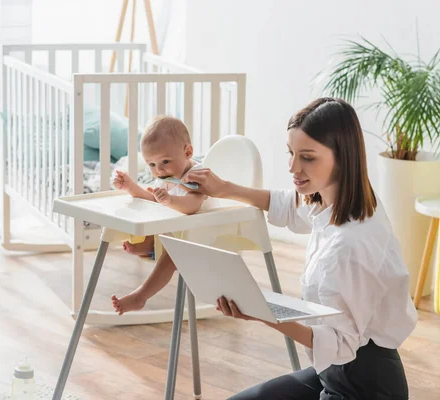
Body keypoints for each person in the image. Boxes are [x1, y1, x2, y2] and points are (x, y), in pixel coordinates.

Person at [182, 98, 418, 399]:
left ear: (342, 157)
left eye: (307, 157)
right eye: (291, 153)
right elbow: (290, 206)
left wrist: (263, 313)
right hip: (331, 372)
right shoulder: (336, 200)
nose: (294, 167)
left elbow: (340, 344)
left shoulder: (351, 245)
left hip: (364, 385)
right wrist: (226, 188)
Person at [110, 115, 217, 315]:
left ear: (188, 152)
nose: (158, 170)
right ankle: (149, 246)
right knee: (154, 216)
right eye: (151, 164)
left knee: (173, 255)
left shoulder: (196, 174)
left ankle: (140, 296)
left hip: (202, 236)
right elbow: (151, 201)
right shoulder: (167, 176)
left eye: (165, 161)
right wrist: (131, 187)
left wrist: (170, 201)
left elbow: (194, 204)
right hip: (176, 232)